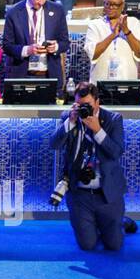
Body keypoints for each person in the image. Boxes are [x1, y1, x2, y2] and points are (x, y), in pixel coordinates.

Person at [50, 82, 130, 251]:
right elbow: (54, 144)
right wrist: (70, 122)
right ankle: (98, 223)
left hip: (107, 194)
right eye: (80, 105)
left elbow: (116, 152)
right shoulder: (69, 117)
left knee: (114, 245)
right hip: (80, 194)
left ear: (97, 102)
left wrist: (98, 130)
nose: (84, 109)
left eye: (88, 105)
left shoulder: (113, 119)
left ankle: (120, 222)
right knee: (87, 245)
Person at [2, 0, 69, 96]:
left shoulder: (57, 10)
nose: (41, 2)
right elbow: (6, 46)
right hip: (21, 75)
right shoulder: (13, 12)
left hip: (49, 75)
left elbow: (65, 42)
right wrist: (27, 50)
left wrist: (56, 47)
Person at [85, 0, 140, 82]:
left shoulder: (133, 23)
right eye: (107, 4)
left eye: (114, 4)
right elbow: (93, 54)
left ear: (122, 6)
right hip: (100, 82)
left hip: (126, 81)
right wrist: (113, 35)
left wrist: (126, 31)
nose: (110, 7)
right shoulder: (95, 25)